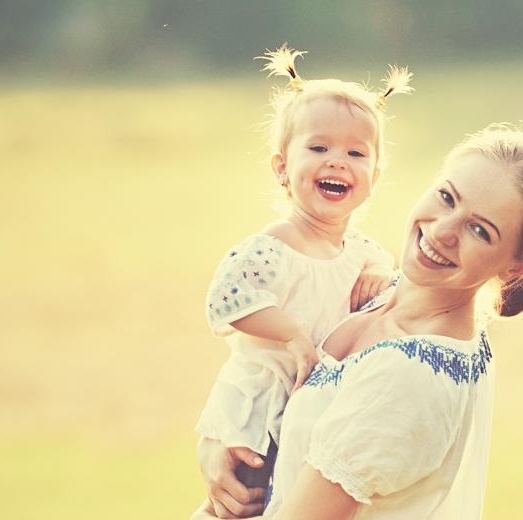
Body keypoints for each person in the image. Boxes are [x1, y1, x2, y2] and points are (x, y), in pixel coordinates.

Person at [197, 124, 523, 519]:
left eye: (480, 230)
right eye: (447, 197)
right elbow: (263, 371)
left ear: (519, 263)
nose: (443, 231)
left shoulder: (409, 375)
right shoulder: (370, 289)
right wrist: (216, 442)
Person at [195, 45, 412, 513]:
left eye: (355, 152)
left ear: (374, 176)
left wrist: (378, 269)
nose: (337, 161)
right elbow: (228, 299)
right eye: (318, 148)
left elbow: (385, 278)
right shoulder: (276, 245)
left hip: (310, 413)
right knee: (240, 502)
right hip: (257, 408)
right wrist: (291, 333)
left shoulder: (363, 253)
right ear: (282, 169)